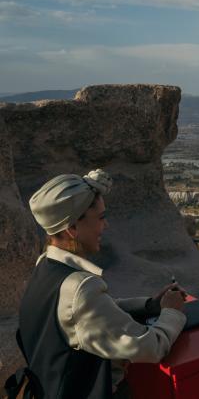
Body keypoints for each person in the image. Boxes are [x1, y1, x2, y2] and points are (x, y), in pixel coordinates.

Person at [17, 169, 187, 399]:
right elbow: (150, 347)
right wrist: (171, 313)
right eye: (101, 217)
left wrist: (150, 306)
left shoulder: (46, 265)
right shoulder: (80, 288)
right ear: (72, 229)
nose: (105, 226)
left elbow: (89, 313)